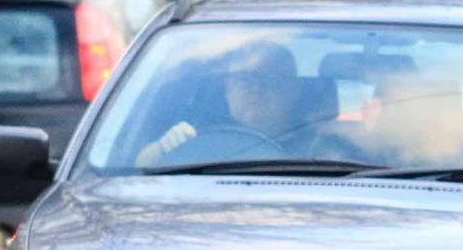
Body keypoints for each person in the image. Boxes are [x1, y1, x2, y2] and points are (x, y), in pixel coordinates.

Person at [134, 39, 329, 169]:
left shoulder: (323, 148)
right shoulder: (192, 136)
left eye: (270, 79)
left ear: (294, 90)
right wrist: (161, 149)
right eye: (244, 80)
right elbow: (136, 172)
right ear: (227, 88)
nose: (256, 89)